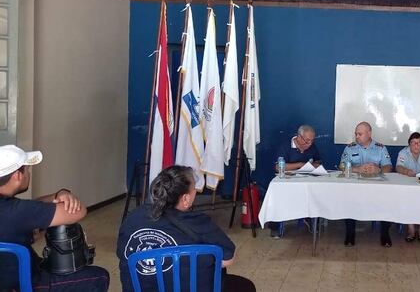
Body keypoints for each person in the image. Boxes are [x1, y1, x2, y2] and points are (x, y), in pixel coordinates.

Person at [117, 166, 255, 292]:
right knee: (245, 286)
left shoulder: (134, 217)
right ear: (185, 199)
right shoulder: (198, 222)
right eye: (194, 188)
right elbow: (227, 258)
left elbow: (122, 254)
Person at [0, 145, 109, 291]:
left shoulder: (16, 209)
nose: (29, 174)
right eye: (27, 169)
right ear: (17, 176)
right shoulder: (16, 210)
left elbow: (30, 207)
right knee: (99, 276)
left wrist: (58, 194)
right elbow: (79, 211)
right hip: (23, 283)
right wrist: (66, 196)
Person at [338, 122, 393, 247]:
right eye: (356, 134)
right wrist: (357, 169)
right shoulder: (350, 147)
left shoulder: (380, 148)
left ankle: (385, 234)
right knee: (349, 200)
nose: (357, 136)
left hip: (377, 187)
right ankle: (350, 234)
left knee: (388, 200)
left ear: (369, 133)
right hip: (355, 187)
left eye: (360, 134)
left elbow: (388, 166)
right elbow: (342, 165)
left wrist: (378, 170)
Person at [269, 124, 322, 238]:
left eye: (312, 140)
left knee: (315, 193)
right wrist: (299, 165)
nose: (310, 144)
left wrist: (313, 166)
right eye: (307, 140)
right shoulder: (285, 146)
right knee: (278, 196)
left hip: (306, 181)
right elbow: (278, 167)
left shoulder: (312, 147)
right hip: (288, 182)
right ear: (299, 136)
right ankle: (275, 226)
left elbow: (318, 163)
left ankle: (310, 219)